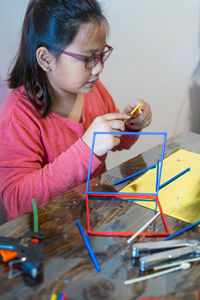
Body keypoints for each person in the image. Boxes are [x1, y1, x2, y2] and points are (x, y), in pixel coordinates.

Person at [0, 0, 152, 221]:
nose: (99, 67)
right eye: (88, 59)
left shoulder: (92, 89)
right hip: (48, 234)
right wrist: (86, 149)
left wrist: (130, 124)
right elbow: (18, 201)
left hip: (91, 217)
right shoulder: (18, 114)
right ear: (46, 59)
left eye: (101, 55)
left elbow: (115, 140)